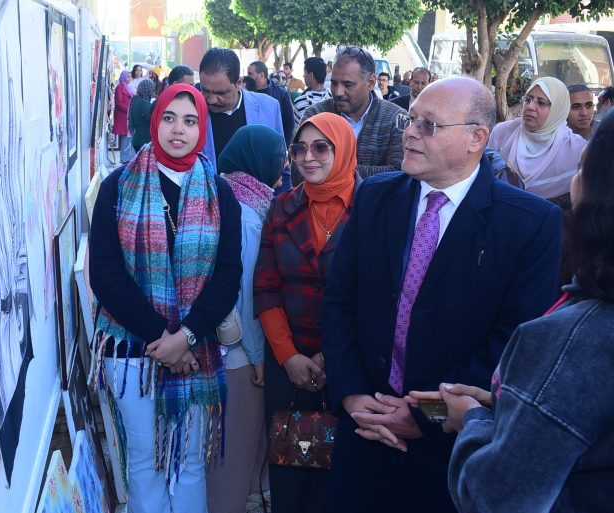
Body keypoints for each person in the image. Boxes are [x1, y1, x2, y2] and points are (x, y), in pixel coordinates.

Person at [321, 77, 563, 513]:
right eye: (411, 120)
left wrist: (424, 416)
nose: (410, 133)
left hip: (448, 455)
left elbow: (513, 344)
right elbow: (340, 300)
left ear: (476, 138)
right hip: (365, 431)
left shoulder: (529, 223)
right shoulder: (376, 197)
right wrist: (352, 395)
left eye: (428, 125)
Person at [409, 109, 614, 513]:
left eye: (583, 166)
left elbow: (496, 494)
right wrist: (509, 408)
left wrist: (473, 420)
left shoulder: (571, 341)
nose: (411, 133)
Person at [89, 84, 242, 513]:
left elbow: (228, 275)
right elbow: (105, 274)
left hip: (197, 349)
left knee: (191, 465)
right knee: (146, 464)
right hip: (134, 351)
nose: (179, 129)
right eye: (170, 118)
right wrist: (163, 337)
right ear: (155, 122)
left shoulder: (219, 192)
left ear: (202, 128)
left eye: (190, 121)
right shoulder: (118, 186)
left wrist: (186, 336)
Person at [254, 112, 359, 513]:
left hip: (351, 364)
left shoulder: (372, 207)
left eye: (320, 147)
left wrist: (333, 356)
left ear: (344, 148)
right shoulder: (282, 207)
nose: (308, 158)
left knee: (343, 478)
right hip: (290, 367)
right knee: (291, 474)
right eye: (299, 148)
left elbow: (376, 295)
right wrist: (288, 356)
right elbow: (265, 286)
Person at [206, 125, 287, 513]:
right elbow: (247, 294)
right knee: (232, 455)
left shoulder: (220, 192)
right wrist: (257, 357)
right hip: (239, 355)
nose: (285, 164)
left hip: (213, 347)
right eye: (280, 156)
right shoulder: (250, 215)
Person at [300, 46, 405, 179]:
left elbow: (400, 174)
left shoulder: (397, 118)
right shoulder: (315, 115)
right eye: (334, 83)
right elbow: (299, 171)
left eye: (348, 85)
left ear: (371, 82)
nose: (338, 92)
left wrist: (329, 169)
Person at [489, 76, 586, 204]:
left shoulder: (578, 150)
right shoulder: (503, 133)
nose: (530, 106)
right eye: (528, 99)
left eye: (541, 102)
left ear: (558, 109)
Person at [197, 48, 286, 186]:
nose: (211, 100)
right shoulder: (192, 111)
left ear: (239, 83)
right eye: (205, 91)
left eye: (220, 93)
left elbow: (280, 162)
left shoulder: (269, 107)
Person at [248, 61, 295, 145]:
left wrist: (284, 147)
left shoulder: (280, 93)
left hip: (274, 146)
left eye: (250, 74)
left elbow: (289, 124)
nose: (248, 77)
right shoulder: (246, 92)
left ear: (261, 75)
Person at [293, 57, 331, 124]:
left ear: (311, 75)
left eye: (304, 72)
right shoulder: (335, 100)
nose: (303, 76)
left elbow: (298, 130)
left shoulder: (299, 102)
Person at [113, 70, 135, 163]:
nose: (129, 79)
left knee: (128, 137)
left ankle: (126, 157)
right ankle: (124, 158)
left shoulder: (128, 87)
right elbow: (119, 103)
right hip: (123, 116)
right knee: (125, 137)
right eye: (128, 77)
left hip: (127, 116)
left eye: (130, 77)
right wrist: (129, 109)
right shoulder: (119, 87)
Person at [128, 78, 155, 152]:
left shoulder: (135, 100)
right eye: (152, 90)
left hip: (137, 139)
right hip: (145, 141)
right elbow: (153, 119)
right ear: (148, 90)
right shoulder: (144, 104)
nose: (153, 93)